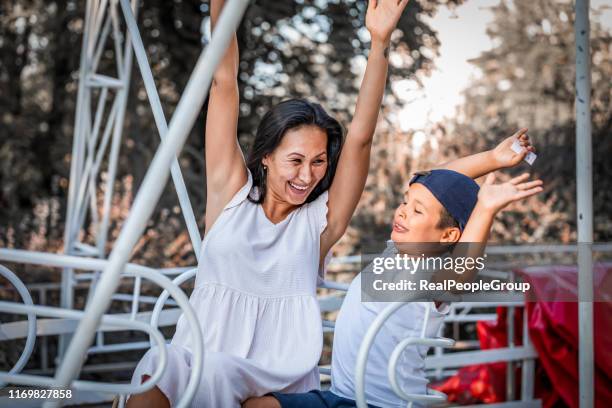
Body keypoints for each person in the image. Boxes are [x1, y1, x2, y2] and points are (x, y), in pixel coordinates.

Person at [126, 1, 410, 407]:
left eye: (318, 163)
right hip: (199, 355)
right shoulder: (231, 194)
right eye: (295, 160)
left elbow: (361, 138)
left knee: (213, 371)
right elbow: (224, 82)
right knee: (162, 360)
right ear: (266, 156)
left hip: (273, 373)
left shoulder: (319, 223)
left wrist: (379, 43)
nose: (307, 176)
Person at [243, 130, 543, 408]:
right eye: (404, 202)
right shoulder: (396, 250)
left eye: (417, 211)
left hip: (383, 404)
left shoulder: (431, 272)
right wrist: (492, 159)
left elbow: (463, 268)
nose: (402, 211)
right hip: (339, 395)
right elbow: (434, 181)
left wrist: (485, 209)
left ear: (448, 236)